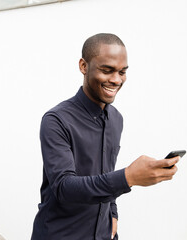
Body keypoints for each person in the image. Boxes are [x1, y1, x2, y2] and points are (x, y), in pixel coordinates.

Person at [31, 33, 179, 240]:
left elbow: (104, 173)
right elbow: (64, 187)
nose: (116, 79)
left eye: (122, 72)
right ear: (84, 66)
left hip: (103, 234)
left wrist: (113, 214)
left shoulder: (116, 119)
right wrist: (128, 177)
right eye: (107, 70)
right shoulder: (56, 120)